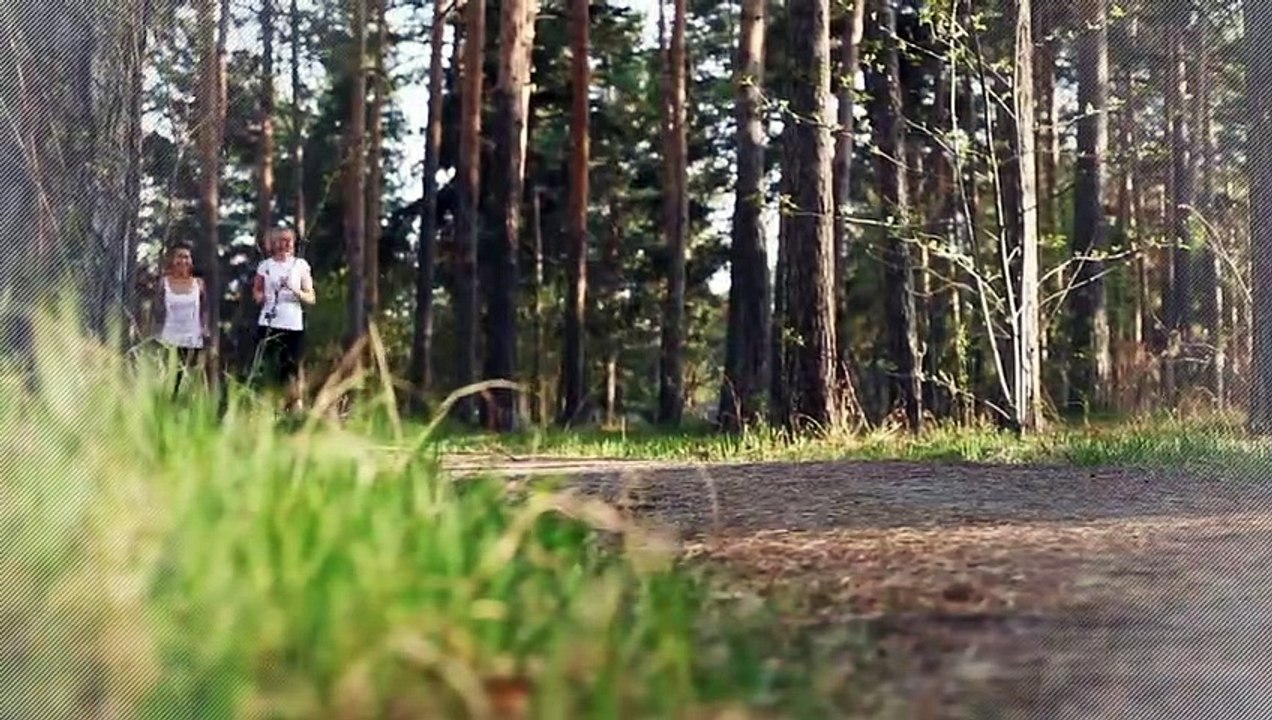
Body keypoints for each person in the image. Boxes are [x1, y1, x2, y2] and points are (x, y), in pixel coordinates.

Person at [252, 227, 315, 411]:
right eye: (280, 240)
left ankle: (294, 406)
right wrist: (260, 297)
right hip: (269, 322)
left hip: (293, 323)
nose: (284, 244)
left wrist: (295, 291)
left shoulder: (300, 265)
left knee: (291, 367)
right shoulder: (265, 266)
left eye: (288, 240)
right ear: (273, 243)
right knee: (270, 365)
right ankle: (268, 406)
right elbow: (257, 290)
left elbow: (311, 297)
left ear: (294, 243)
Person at [155, 243, 210, 399]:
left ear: (191, 261)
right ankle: (164, 403)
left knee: (186, 376)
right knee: (169, 374)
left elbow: (204, 310)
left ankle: (181, 406)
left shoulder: (198, 284)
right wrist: (155, 332)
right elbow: (157, 310)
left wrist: (205, 329)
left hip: (191, 338)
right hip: (169, 336)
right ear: (172, 260)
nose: (183, 261)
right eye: (179, 256)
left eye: (186, 257)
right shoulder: (164, 283)